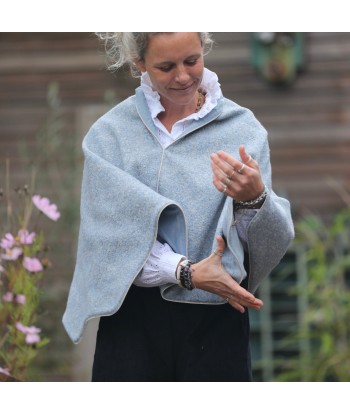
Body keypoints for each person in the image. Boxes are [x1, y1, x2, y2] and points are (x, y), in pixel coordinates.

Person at [62, 32, 294, 381]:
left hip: (217, 325)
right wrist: (186, 272)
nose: (183, 76)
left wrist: (255, 197)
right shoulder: (110, 136)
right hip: (133, 325)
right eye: (166, 66)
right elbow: (108, 243)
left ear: (204, 49)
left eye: (192, 61)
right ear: (139, 63)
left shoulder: (243, 129)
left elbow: (261, 244)